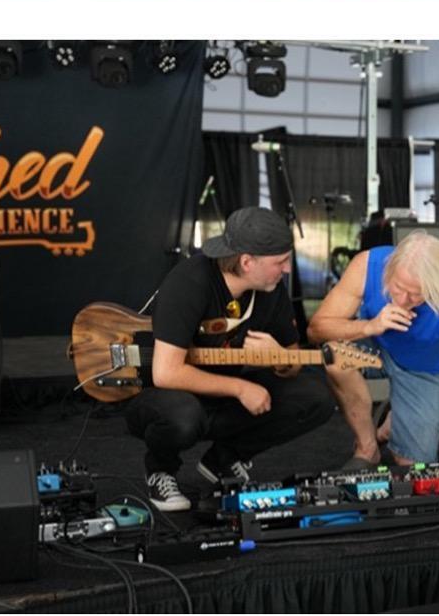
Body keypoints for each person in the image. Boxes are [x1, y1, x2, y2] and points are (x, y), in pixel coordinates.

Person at [125, 206, 335, 511]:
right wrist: (240, 388)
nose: (287, 269)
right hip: (164, 396)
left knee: (315, 398)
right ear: (247, 262)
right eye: (281, 262)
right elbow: (166, 373)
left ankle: (223, 460)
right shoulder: (191, 281)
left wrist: (277, 355)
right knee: (183, 417)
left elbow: (294, 364)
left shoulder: (271, 290)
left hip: (221, 392)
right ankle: (160, 470)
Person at [308, 229, 439, 493]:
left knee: (413, 468)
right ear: (390, 271)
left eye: (417, 295)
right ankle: (367, 447)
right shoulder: (368, 265)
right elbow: (316, 329)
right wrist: (370, 326)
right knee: (334, 353)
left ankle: (398, 415)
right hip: (373, 344)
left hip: (422, 368)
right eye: (398, 289)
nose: (403, 300)